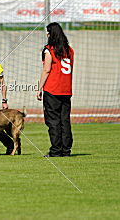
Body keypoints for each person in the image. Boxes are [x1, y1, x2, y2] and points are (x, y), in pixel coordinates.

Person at [36, 22, 74, 157]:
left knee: (53, 121)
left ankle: (56, 150)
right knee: (65, 121)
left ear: (51, 34)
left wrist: (39, 88)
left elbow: (46, 70)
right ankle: (66, 150)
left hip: (52, 90)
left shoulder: (49, 50)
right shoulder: (69, 50)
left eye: (48, 33)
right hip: (66, 90)